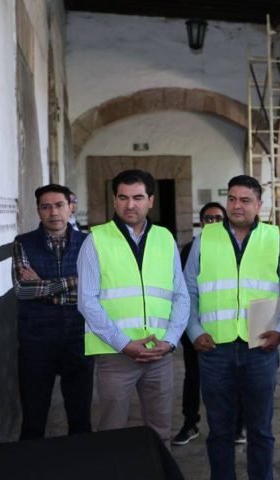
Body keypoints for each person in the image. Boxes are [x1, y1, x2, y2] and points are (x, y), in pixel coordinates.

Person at [184, 175, 280, 479]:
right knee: (219, 429)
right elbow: (187, 291)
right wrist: (195, 331)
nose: (237, 205)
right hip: (214, 349)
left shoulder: (274, 239)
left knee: (261, 429)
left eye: (245, 200)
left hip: (260, 347)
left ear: (259, 205)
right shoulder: (205, 238)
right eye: (232, 199)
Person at [78, 169, 190, 447]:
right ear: (114, 200)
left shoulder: (165, 238)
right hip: (116, 355)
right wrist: (124, 343)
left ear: (150, 200)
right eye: (123, 197)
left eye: (138, 197)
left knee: (160, 432)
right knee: (112, 434)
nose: (131, 205)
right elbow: (86, 301)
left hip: (159, 354)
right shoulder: (95, 240)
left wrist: (170, 341)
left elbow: (181, 295)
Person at [12, 184, 93, 440]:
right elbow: (23, 291)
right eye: (46, 207)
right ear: (38, 211)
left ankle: (80, 465)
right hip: (36, 338)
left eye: (59, 205)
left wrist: (43, 286)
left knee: (80, 418)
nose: (53, 212)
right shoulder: (23, 242)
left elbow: (94, 288)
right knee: (34, 419)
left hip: (78, 337)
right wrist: (74, 282)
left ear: (71, 207)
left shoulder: (89, 242)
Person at [172, 202, 230, 447]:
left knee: (231, 379)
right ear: (201, 221)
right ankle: (190, 423)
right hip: (194, 327)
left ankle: (236, 426)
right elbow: (183, 289)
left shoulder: (233, 249)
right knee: (193, 377)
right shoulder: (189, 250)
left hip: (225, 327)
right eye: (208, 218)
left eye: (218, 218)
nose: (213, 222)